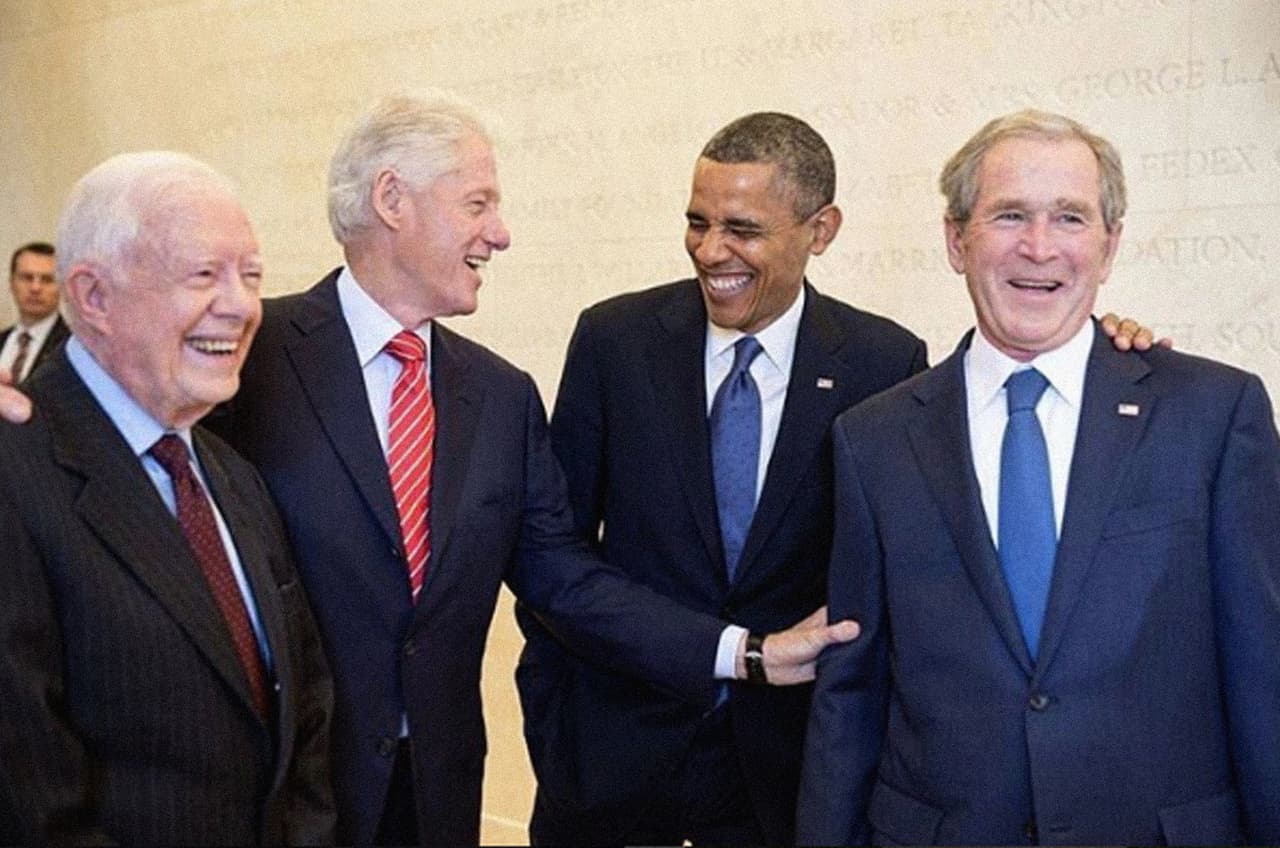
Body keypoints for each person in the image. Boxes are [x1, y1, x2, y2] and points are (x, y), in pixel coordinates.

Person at [200, 92, 854, 847]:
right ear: (392, 201)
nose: (500, 235)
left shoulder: (500, 398)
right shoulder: (252, 354)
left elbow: (565, 579)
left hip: (433, 796)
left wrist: (746, 653)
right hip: (278, 791)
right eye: (478, 204)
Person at [516, 112, 1159, 845]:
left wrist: (1106, 350)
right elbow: (553, 558)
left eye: (744, 229)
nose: (710, 250)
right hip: (611, 768)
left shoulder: (883, 365)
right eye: (697, 222)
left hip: (783, 785)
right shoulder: (614, 341)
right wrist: (556, 711)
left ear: (820, 230)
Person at [797, 109, 1280, 844]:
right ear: (957, 240)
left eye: (1071, 218)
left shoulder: (1214, 414)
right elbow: (851, 694)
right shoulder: (873, 440)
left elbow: (1263, 674)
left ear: (1110, 245)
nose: (1039, 247)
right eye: (1009, 215)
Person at [0, 152, 335, 844]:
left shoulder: (232, 474)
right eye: (203, 275)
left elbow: (304, 711)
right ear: (94, 297)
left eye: (251, 276)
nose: (242, 307)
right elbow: (28, 796)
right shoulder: (14, 471)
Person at [1, 241, 69, 384]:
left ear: (62, 286)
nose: (35, 288)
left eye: (47, 280)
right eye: (27, 277)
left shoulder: (72, 347)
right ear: (11, 283)